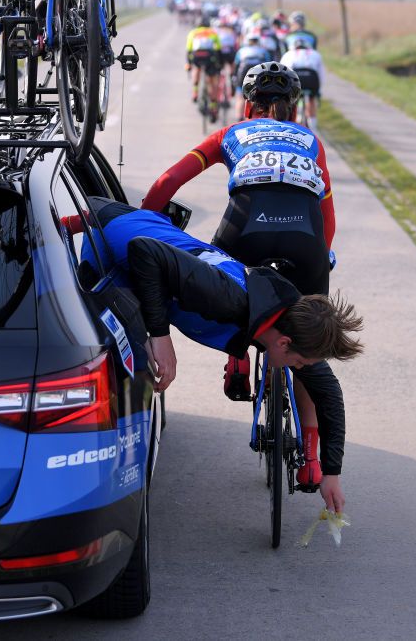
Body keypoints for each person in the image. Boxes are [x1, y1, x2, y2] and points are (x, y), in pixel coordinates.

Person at [74, 196, 362, 514]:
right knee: (134, 364)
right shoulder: (228, 299)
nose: (300, 369)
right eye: (300, 363)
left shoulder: (280, 312)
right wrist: (160, 337)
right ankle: (101, 492)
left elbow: (328, 394)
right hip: (109, 241)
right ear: (284, 344)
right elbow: (145, 251)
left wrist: (331, 472)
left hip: (140, 232)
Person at [141, 62, 335, 490]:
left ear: (247, 105)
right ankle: (310, 457)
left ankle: (237, 362)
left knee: (227, 284)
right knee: (307, 346)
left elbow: (167, 180)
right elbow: (327, 219)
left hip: (243, 232)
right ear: (293, 109)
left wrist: (147, 219)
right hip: (306, 243)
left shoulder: (230, 134)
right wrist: (322, 256)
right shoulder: (310, 141)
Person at [281, 35, 324, 130]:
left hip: (295, 81)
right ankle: (313, 128)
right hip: (312, 81)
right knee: (311, 100)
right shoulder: (315, 54)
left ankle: (292, 124)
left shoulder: (288, 54)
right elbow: (321, 74)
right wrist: (319, 91)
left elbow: (282, 72)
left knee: (292, 102)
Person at [186, 17, 224, 121]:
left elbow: (189, 50)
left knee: (196, 69)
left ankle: (195, 92)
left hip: (197, 55)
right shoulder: (213, 32)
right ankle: (212, 106)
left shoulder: (193, 33)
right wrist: (220, 64)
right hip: (209, 57)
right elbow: (218, 49)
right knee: (211, 82)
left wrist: (188, 64)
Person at [232, 33, 272, 118]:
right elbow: (269, 65)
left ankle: (239, 119)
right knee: (260, 96)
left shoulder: (241, 50)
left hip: (243, 72)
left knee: (240, 97)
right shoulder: (263, 51)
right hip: (259, 73)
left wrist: (234, 77)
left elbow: (236, 66)